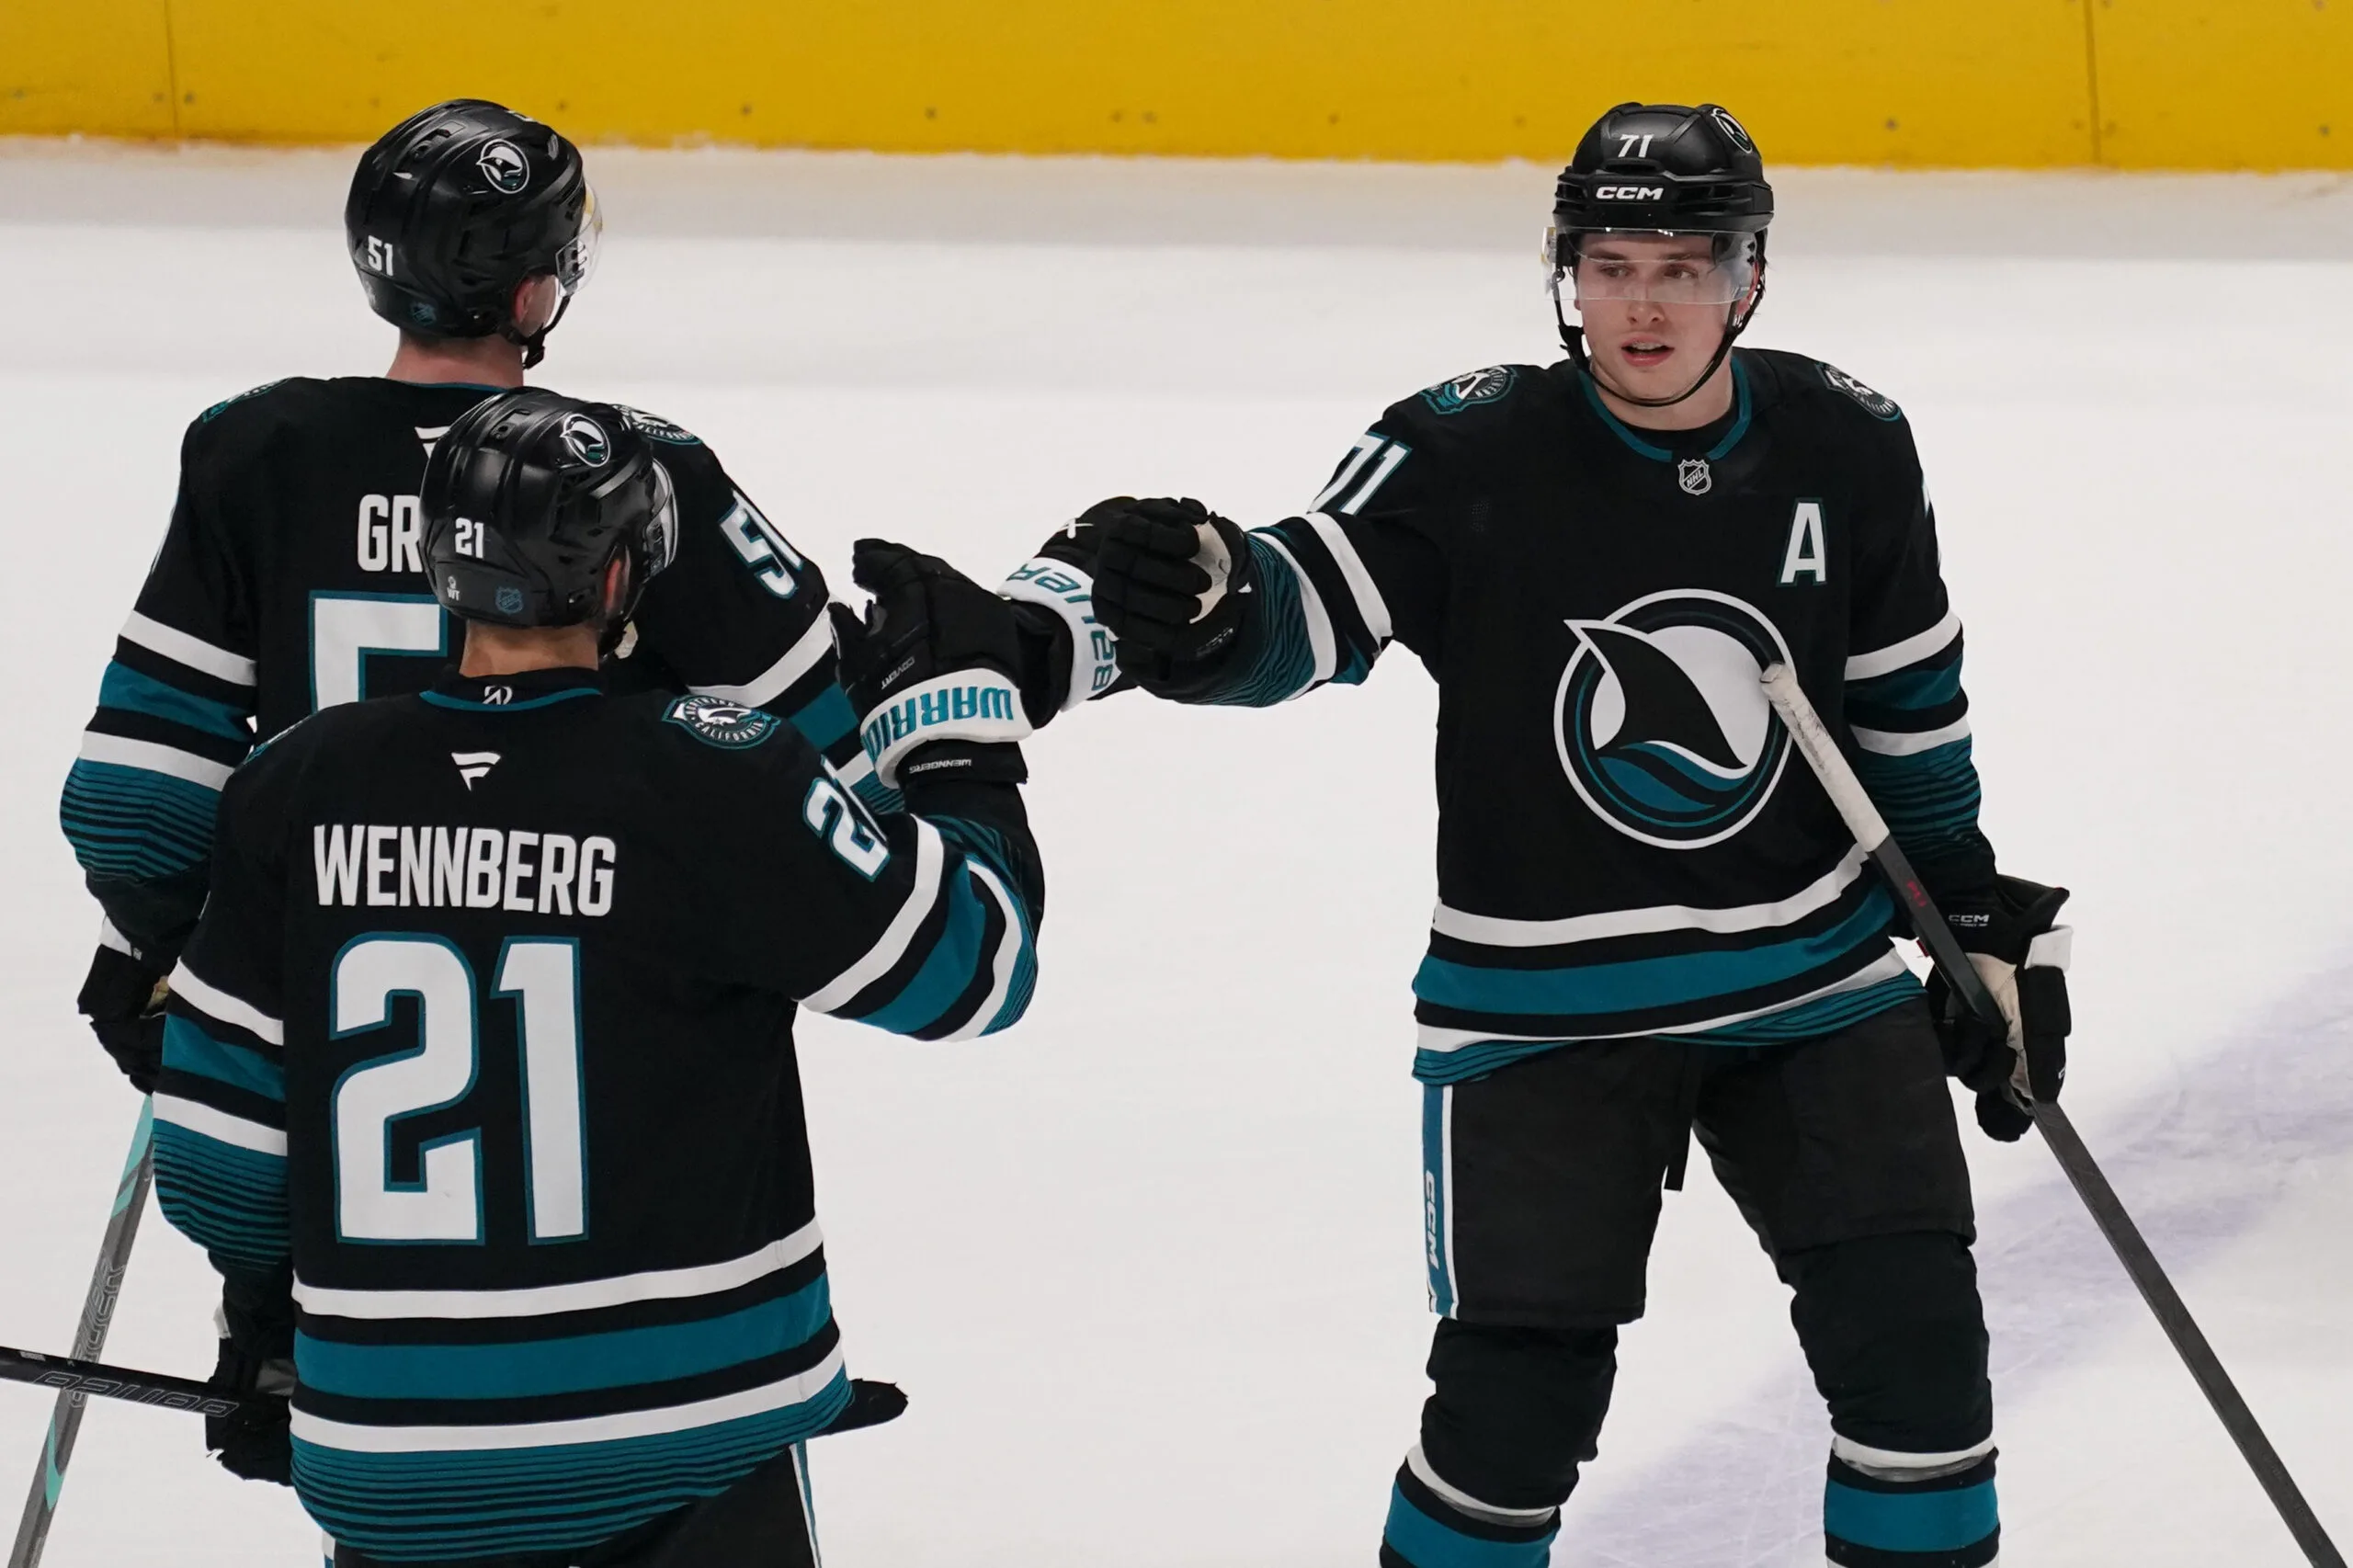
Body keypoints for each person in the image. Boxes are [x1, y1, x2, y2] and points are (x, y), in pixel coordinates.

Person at [1044, 104, 2075, 1567]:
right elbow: (1307, 609)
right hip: (1545, 1008)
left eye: (1681, 263)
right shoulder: (1470, 448)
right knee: (1513, 1419)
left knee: (1922, 1368)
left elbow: (1907, 706)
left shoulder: (1848, 442)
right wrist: (1216, 599)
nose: (1643, 302)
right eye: (1611, 262)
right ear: (1566, 273)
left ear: (1748, 277)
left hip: (1814, 984)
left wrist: (1965, 909)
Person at [148, 389, 1043, 1565]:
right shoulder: (716, 772)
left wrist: (276, 1334)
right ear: (624, 577)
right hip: (691, 1442)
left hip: (396, 1470)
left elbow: (217, 1173)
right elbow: (971, 967)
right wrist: (957, 734)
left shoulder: (295, 784)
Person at [62, 97, 882, 1104]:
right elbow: (827, 739)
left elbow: (139, 794)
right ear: (533, 294)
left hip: (333, 1014)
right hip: (588, 1017)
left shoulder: (260, 450)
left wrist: (186, 959)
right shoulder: (633, 475)